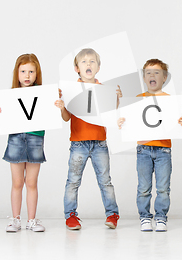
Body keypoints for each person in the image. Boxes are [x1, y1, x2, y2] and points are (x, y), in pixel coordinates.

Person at [118, 59, 182, 232]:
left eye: (156, 72)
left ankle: (161, 217)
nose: (152, 75)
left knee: (163, 187)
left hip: (164, 149)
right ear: (143, 77)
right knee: (144, 187)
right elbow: (129, 122)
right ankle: (144, 217)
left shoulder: (171, 101)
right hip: (143, 149)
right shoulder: (137, 100)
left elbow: (177, 124)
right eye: (148, 72)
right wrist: (122, 121)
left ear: (164, 78)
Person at [55, 48, 120, 230]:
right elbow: (67, 118)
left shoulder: (103, 89)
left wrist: (116, 99)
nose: (88, 64)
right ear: (77, 68)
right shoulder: (71, 90)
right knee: (73, 181)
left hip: (100, 142)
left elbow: (110, 114)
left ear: (98, 67)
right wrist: (62, 106)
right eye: (84, 62)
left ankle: (112, 214)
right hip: (78, 143)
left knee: (105, 180)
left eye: (92, 61)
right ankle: (70, 216)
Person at [0, 53, 47, 232]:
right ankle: (15, 219)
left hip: (35, 138)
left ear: (37, 74)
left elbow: (51, 112)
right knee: (17, 182)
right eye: (23, 71)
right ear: (17, 73)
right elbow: (6, 115)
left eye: (31, 71)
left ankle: (31, 220)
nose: (27, 75)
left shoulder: (42, 94)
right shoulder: (10, 95)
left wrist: (56, 103)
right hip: (16, 138)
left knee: (31, 182)